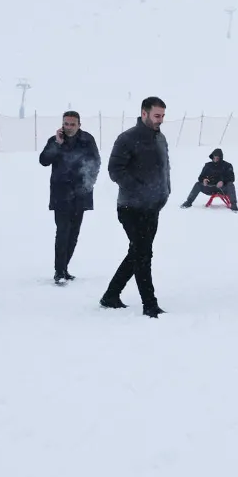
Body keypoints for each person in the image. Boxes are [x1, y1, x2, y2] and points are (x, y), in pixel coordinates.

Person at [100, 97, 170, 318]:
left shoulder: (160, 138)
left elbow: (164, 168)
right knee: (143, 255)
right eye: (157, 115)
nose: (160, 120)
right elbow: (115, 170)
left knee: (138, 252)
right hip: (131, 207)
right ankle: (149, 304)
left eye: (163, 116)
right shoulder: (127, 138)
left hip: (152, 206)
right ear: (144, 113)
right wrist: (140, 189)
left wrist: (164, 192)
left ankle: (111, 295)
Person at [38, 110, 101, 284]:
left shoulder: (87, 140)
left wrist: (88, 184)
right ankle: (59, 271)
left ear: (79, 125)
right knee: (62, 232)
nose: (69, 127)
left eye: (72, 124)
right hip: (61, 194)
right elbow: (43, 161)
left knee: (74, 233)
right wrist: (57, 144)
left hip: (81, 193)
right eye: (66, 124)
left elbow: (96, 162)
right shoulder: (55, 140)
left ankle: (64, 268)